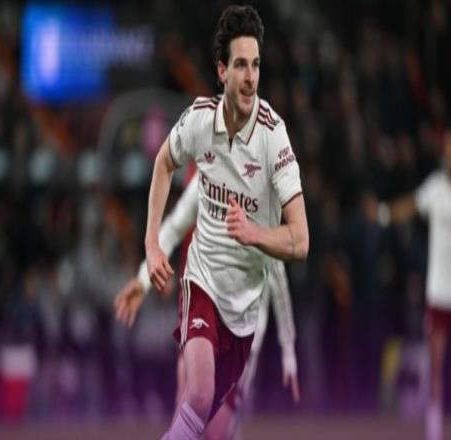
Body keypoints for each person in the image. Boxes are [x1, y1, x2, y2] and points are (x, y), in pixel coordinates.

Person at [144, 5, 309, 439]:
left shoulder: (274, 137)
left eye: (256, 65)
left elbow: (301, 239)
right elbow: (163, 162)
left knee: (211, 428)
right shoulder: (200, 120)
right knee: (196, 393)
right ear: (222, 71)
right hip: (201, 283)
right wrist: (152, 245)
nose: (250, 77)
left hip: (245, 312)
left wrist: (254, 234)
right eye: (240, 65)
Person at [115, 172, 300, 439]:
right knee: (188, 402)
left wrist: (288, 348)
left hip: (240, 330)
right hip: (203, 309)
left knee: (216, 428)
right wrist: (144, 279)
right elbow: (173, 228)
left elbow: (277, 274)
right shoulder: (205, 180)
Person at [367, 128, 451, 440]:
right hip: (438, 291)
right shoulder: (436, 187)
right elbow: (411, 205)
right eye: (447, 148)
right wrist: (384, 213)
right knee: (435, 362)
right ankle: (434, 431)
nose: (449, 153)